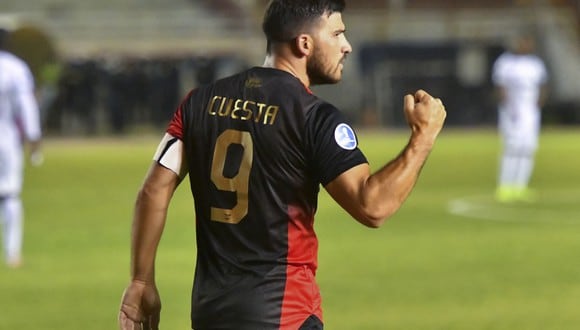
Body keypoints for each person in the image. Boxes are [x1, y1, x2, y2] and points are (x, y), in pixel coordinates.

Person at [118, 1, 446, 329]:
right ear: (305, 44)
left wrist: (141, 282)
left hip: (210, 313)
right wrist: (423, 136)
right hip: (284, 314)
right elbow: (372, 205)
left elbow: (154, 190)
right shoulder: (313, 117)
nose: (346, 46)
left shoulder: (199, 102)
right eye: (337, 34)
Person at [0, 28, 43, 268]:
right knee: (10, 195)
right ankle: (12, 253)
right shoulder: (15, 68)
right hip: (6, 138)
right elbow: (25, 105)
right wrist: (33, 136)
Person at [491, 30, 548, 203]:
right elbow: (500, 86)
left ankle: (520, 185)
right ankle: (505, 185)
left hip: (530, 111)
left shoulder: (535, 64)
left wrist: (538, 104)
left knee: (528, 147)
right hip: (511, 111)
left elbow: (543, 85)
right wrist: (508, 107)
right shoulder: (505, 62)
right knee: (512, 147)